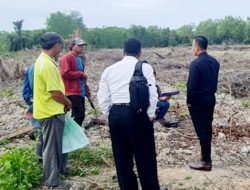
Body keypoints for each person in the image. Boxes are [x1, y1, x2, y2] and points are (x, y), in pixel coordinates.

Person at [97, 38, 167, 190]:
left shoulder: (109, 70)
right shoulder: (144, 67)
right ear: (139, 52)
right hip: (138, 115)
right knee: (145, 157)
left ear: (123, 51)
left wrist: (110, 113)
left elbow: (102, 97)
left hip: (116, 114)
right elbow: (152, 93)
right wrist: (150, 114)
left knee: (122, 159)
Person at [33, 32, 72, 188]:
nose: (60, 48)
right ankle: (52, 182)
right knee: (51, 148)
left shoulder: (42, 60)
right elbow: (55, 93)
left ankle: (56, 175)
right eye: (60, 45)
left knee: (52, 146)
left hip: (46, 110)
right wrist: (67, 102)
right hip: (50, 112)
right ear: (56, 45)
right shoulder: (48, 64)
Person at [187, 36, 220, 171]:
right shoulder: (215, 62)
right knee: (207, 128)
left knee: (202, 131)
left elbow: (191, 86)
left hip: (198, 101)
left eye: (192, 46)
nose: (192, 49)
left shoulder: (195, 64)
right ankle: (205, 157)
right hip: (210, 98)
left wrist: (189, 102)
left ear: (197, 47)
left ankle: (206, 161)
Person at [60, 38, 91, 126]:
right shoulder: (67, 58)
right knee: (78, 115)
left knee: (80, 114)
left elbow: (82, 78)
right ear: (72, 46)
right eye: (79, 46)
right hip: (72, 91)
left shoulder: (79, 59)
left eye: (82, 46)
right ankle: (73, 132)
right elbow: (65, 74)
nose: (81, 48)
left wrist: (87, 90)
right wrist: (80, 74)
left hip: (80, 91)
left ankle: (74, 133)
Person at [22, 63, 43, 162]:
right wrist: (31, 107)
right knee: (42, 133)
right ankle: (41, 160)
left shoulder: (31, 67)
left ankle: (40, 159)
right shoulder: (42, 67)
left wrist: (30, 104)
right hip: (42, 105)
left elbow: (26, 90)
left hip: (36, 103)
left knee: (40, 131)